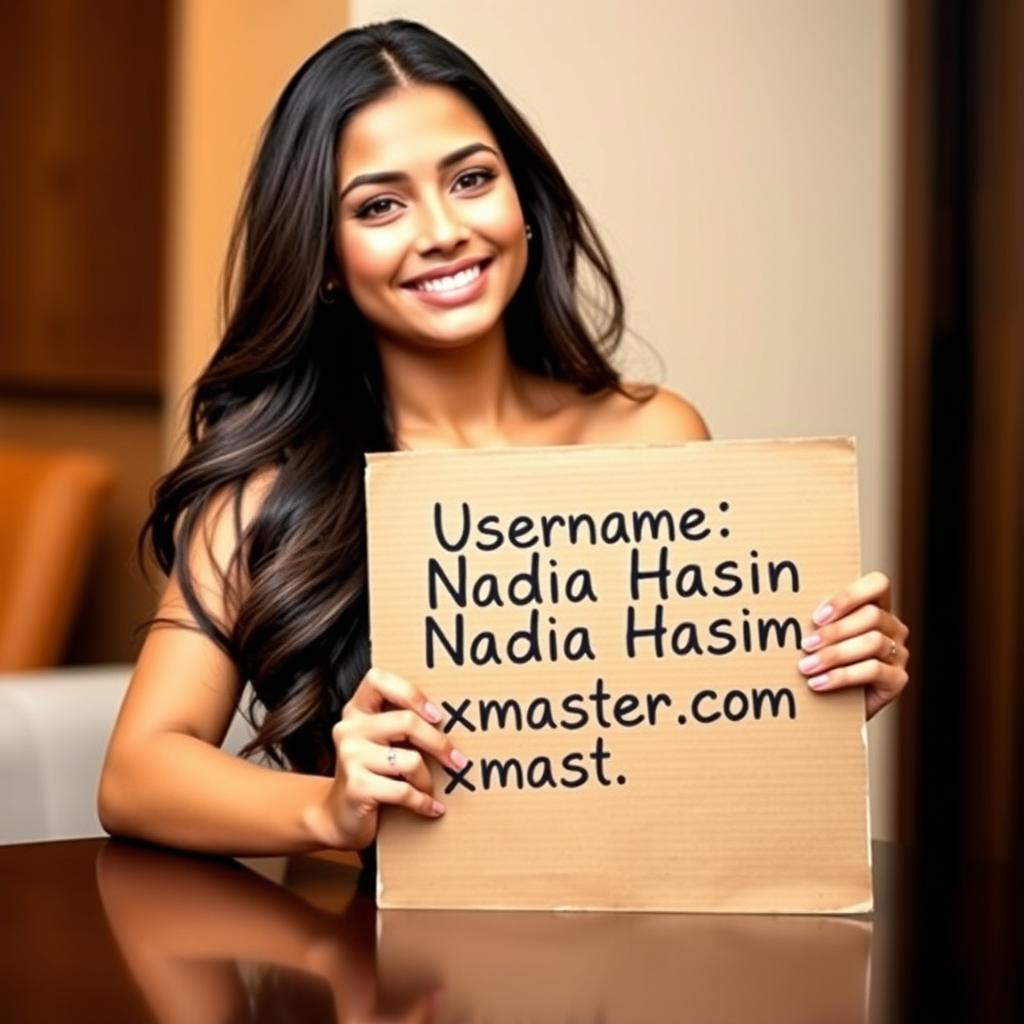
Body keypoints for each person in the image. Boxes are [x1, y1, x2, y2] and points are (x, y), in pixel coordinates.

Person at [98, 19, 910, 859]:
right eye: (379, 205)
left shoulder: (657, 432)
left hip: (640, 959)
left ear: (522, 201)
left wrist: (820, 689)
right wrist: (328, 810)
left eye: (472, 179)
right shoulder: (269, 494)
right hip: (379, 972)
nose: (442, 229)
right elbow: (135, 773)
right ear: (328, 260)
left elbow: (682, 738)